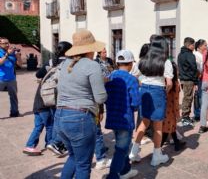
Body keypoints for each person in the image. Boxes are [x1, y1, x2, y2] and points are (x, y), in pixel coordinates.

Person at [55, 29, 107, 178]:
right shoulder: (92, 65)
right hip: (80, 118)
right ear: (90, 48)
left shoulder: (65, 64)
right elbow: (100, 98)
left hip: (60, 116)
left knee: (73, 157)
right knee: (83, 164)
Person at [129, 35, 173, 167]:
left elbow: (134, 76)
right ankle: (157, 155)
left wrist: (142, 85)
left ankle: (134, 152)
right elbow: (169, 82)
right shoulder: (166, 61)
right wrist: (164, 91)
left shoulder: (143, 59)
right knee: (158, 126)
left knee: (143, 122)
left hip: (145, 91)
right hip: (158, 91)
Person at [23, 41, 72, 156]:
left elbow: (38, 74)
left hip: (40, 96)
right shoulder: (68, 63)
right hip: (51, 99)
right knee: (51, 124)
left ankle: (33, 145)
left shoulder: (51, 61)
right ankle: (50, 143)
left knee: (39, 124)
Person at [105, 50, 141, 179]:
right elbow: (135, 102)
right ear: (130, 63)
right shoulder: (132, 79)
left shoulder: (110, 77)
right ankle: (113, 175)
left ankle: (126, 170)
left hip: (113, 117)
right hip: (125, 119)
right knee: (121, 149)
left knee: (122, 145)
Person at [161, 61, 186, 151]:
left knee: (171, 128)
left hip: (163, 109)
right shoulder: (175, 84)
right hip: (171, 110)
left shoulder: (163, 81)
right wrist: (177, 114)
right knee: (167, 130)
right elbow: (175, 100)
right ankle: (158, 148)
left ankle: (176, 144)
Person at [178, 37, 198, 126]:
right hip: (189, 79)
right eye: (193, 45)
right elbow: (194, 68)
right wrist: (196, 81)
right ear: (189, 45)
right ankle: (185, 117)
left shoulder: (180, 54)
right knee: (188, 98)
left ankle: (185, 116)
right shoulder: (190, 55)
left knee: (186, 97)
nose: (194, 47)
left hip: (183, 79)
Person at [0, 37, 22, 117]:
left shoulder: (12, 52)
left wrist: (18, 56)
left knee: (13, 96)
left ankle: (14, 112)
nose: (7, 45)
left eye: (8, 43)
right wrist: (7, 54)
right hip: (1, 78)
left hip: (11, 79)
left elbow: (20, 64)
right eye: (4, 43)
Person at [193, 39, 207, 122]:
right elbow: (196, 68)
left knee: (201, 96)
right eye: (205, 45)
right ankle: (198, 114)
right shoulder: (196, 55)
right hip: (198, 78)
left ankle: (200, 113)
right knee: (198, 96)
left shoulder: (202, 55)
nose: (206, 47)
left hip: (202, 78)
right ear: (199, 46)